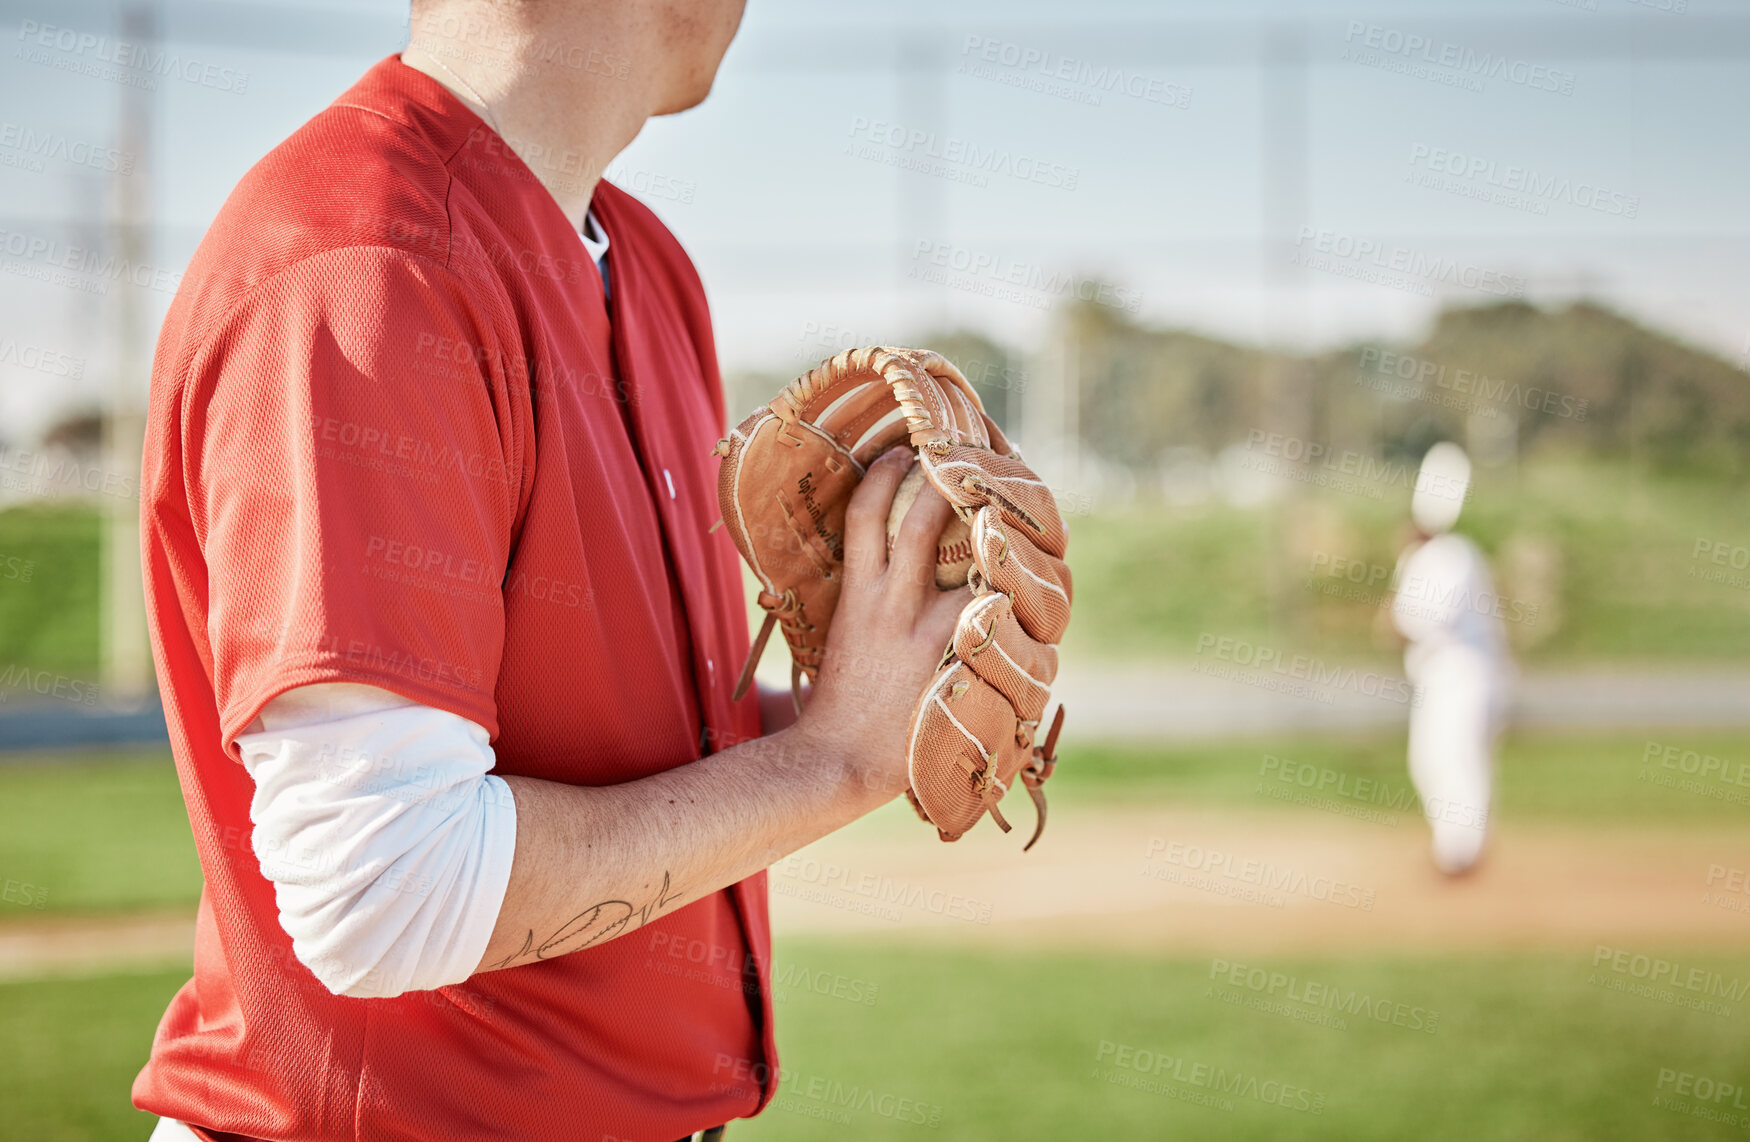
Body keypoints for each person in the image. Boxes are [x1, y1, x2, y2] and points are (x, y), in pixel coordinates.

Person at [132, 2, 969, 1139]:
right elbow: (387, 893)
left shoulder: (648, 263)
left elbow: (618, 730)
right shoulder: (365, 264)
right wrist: (839, 759)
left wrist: (861, 696)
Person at [1383, 442, 1513, 876]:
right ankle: (1454, 847)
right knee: (1429, 759)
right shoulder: (1425, 559)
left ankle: (1462, 851)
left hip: (1464, 676)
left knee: (1457, 758)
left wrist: (1391, 621)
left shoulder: (1452, 557)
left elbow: (1412, 621)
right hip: (1438, 679)